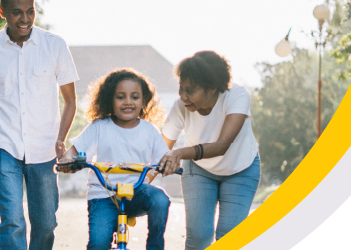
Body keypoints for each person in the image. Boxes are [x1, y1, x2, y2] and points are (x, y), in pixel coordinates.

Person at [0, 0, 79, 249]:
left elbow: (71, 101)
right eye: (17, 13)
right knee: (12, 220)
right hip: (4, 146)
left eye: (30, 11)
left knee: (46, 223)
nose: (25, 19)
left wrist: (61, 139)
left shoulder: (54, 45)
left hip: (45, 148)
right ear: (2, 11)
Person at [57, 69, 170, 250]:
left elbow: (164, 158)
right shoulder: (100, 127)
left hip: (136, 192)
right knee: (98, 244)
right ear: (110, 99)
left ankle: (155, 247)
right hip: (103, 194)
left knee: (160, 199)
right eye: (120, 97)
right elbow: (73, 152)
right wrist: (67, 162)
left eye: (135, 97)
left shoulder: (149, 131)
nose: (128, 102)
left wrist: (169, 164)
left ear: (143, 101)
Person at [158, 51, 260, 250]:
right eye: (181, 88)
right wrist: (137, 186)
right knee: (199, 237)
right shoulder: (180, 106)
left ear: (212, 88)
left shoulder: (237, 96)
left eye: (190, 90)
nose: (183, 96)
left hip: (241, 169)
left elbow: (222, 146)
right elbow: (161, 153)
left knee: (229, 236)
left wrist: (179, 152)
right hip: (199, 170)